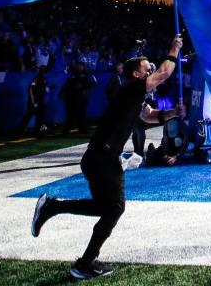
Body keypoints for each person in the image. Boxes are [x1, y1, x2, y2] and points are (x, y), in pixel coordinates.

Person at [31, 35, 184, 280]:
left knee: (106, 207)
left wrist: (173, 113)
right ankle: (84, 263)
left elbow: (149, 117)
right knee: (114, 208)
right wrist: (174, 49)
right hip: (103, 157)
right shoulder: (133, 87)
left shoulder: (134, 94)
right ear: (136, 74)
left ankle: (52, 207)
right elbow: (165, 73)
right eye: (147, 68)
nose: (152, 69)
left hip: (100, 157)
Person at [19, 69, 49, 134]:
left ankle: (38, 130)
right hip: (35, 102)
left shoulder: (44, 79)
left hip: (40, 101)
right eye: (42, 71)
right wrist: (32, 100)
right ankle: (20, 130)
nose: (43, 72)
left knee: (40, 116)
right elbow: (31, 89)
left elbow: (46, 89)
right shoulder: (36, 79)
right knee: (29, 114)